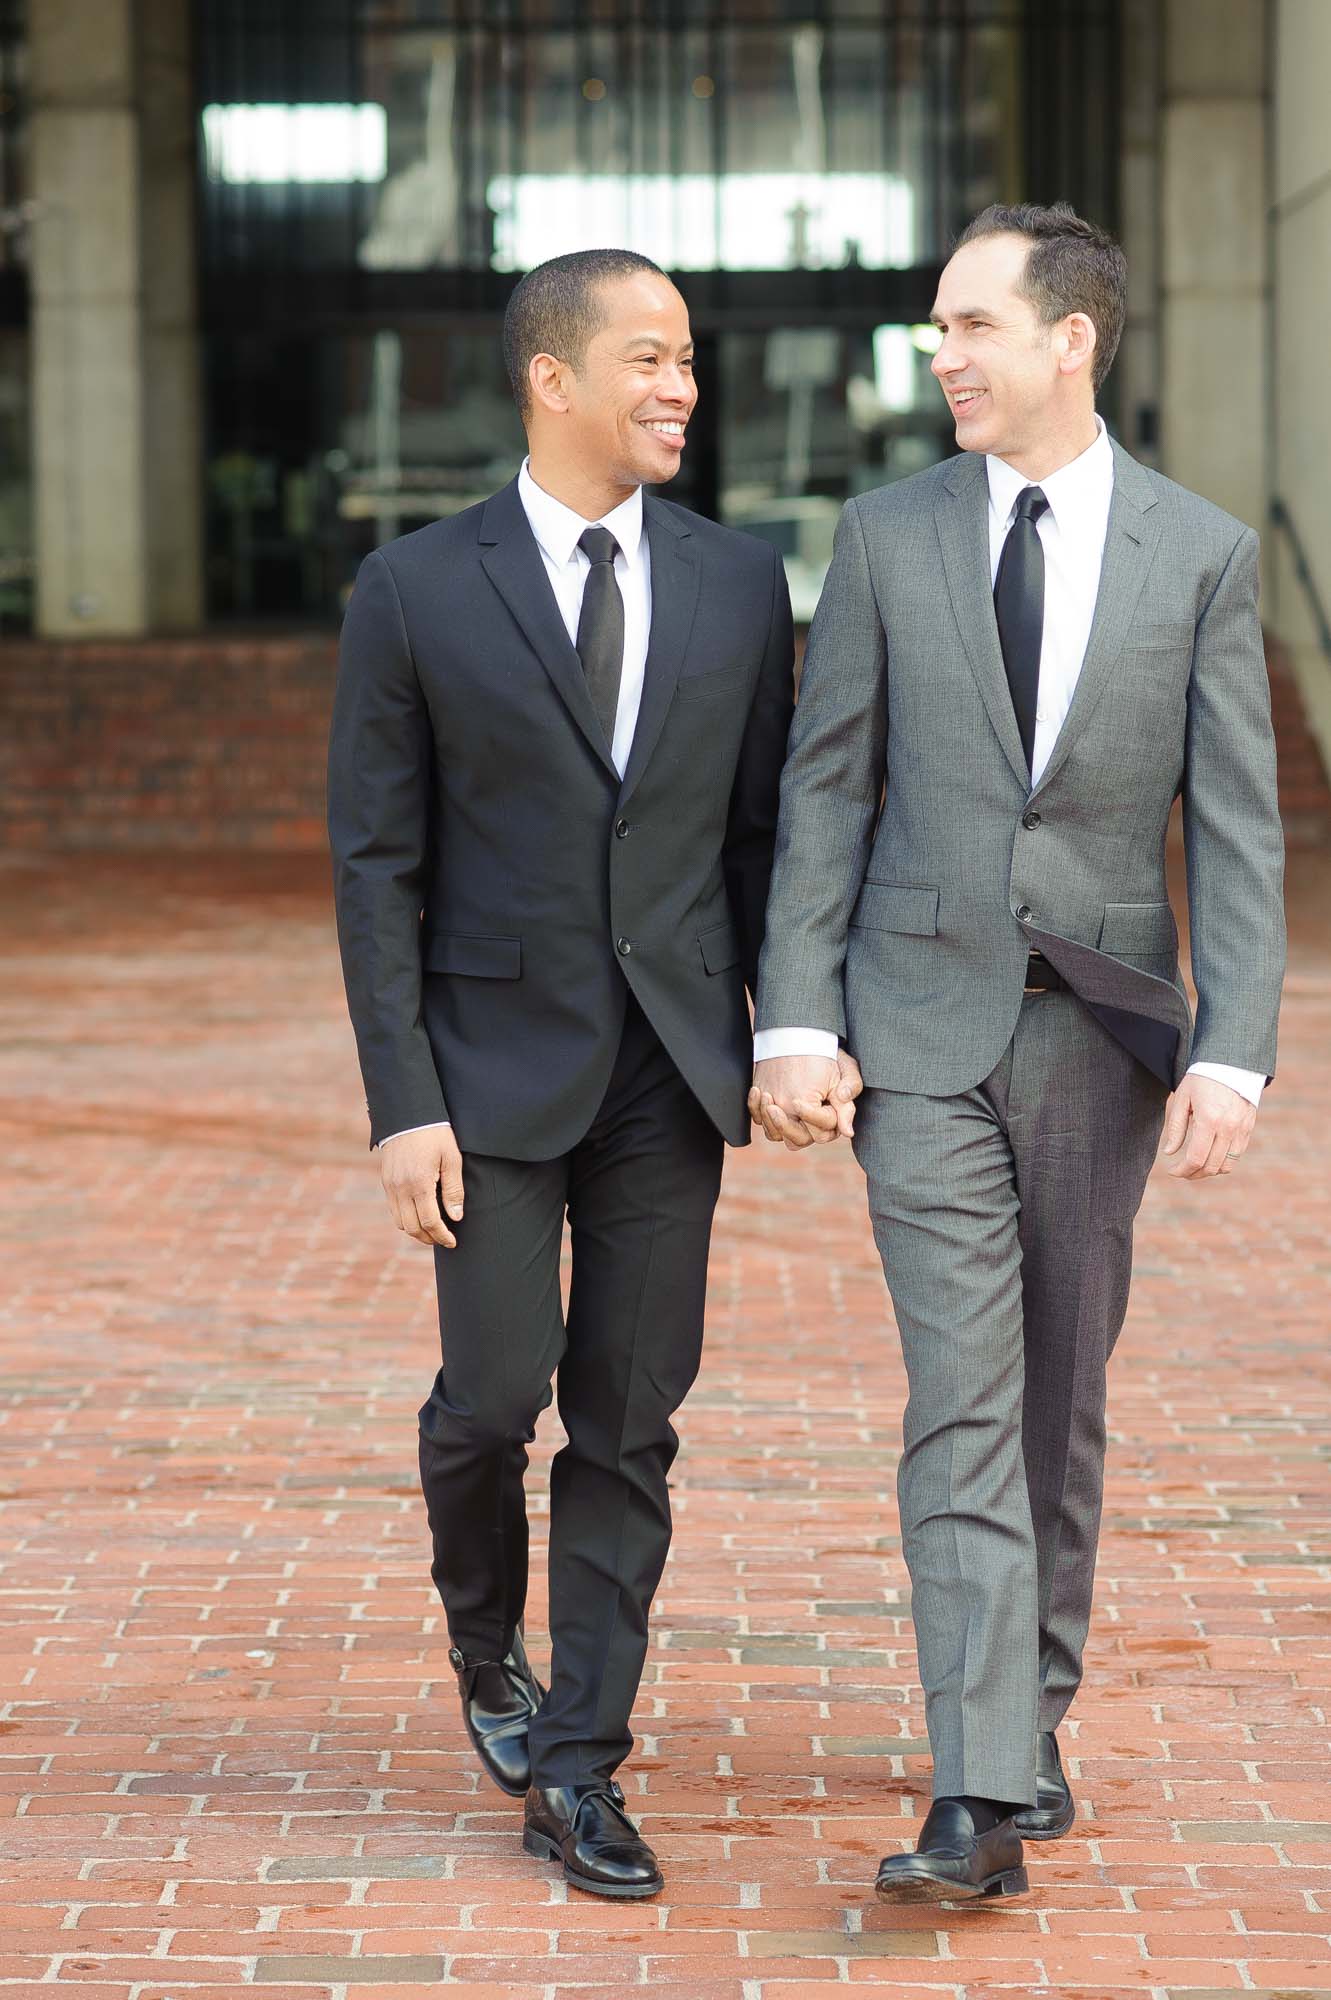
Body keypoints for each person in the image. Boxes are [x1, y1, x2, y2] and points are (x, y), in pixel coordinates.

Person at [750, 202, 1285, 1903]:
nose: (944, 358)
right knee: (960, 1399)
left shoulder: (1200, 554)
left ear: (1074, 339)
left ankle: (1027, 1711)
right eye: (936, 330)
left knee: (1061, 1393)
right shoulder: (887, 535)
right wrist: (798, 1014)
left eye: (972, 326)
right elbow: (826, 787)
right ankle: (975, 1793)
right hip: (916, 1032)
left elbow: (1242, 828)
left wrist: (1239, 1048)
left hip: (1107, 1044)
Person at [327, 248, 823, 1900]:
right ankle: (489, 1654)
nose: (682, 385)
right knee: (491, 1402)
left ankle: (581, 1762)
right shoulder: (413, 590)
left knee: (627, 1423)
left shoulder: (744, 585)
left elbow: (762, 840)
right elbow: (375, 867)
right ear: (553, 378)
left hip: (666, 1076)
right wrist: (404, 1102)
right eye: (651, 357)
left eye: (689, 360)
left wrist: (784, 1029)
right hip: (482, 1074)